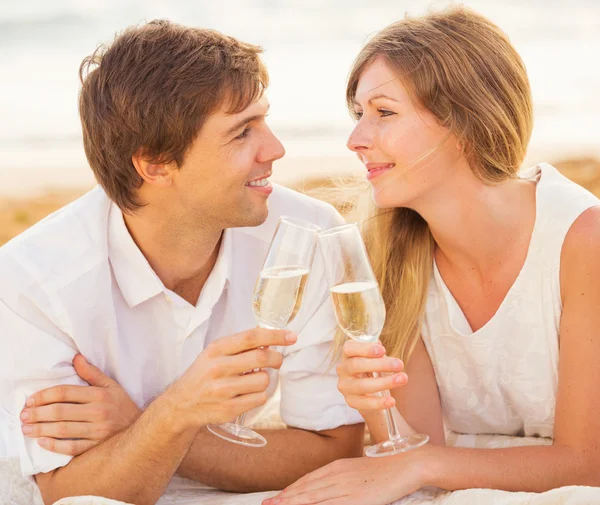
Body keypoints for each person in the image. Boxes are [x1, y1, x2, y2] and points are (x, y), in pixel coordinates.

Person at [0, 20, 364, 505]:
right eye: (242, 133)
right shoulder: (31, 282)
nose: (275, 149)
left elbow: (333, 450)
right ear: (154, 165)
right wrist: (174, 412)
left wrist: (146, 423)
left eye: (265, 119)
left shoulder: (305, 234)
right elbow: (70, 493)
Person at [263, 6, 600, 505]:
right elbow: (417, 449)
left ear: (464, 121)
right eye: (358, 114)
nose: (356, 140)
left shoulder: (583, 242)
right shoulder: (387, 252)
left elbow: (587, 466)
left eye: (384, 112)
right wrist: (377, 410)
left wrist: (419, 463)